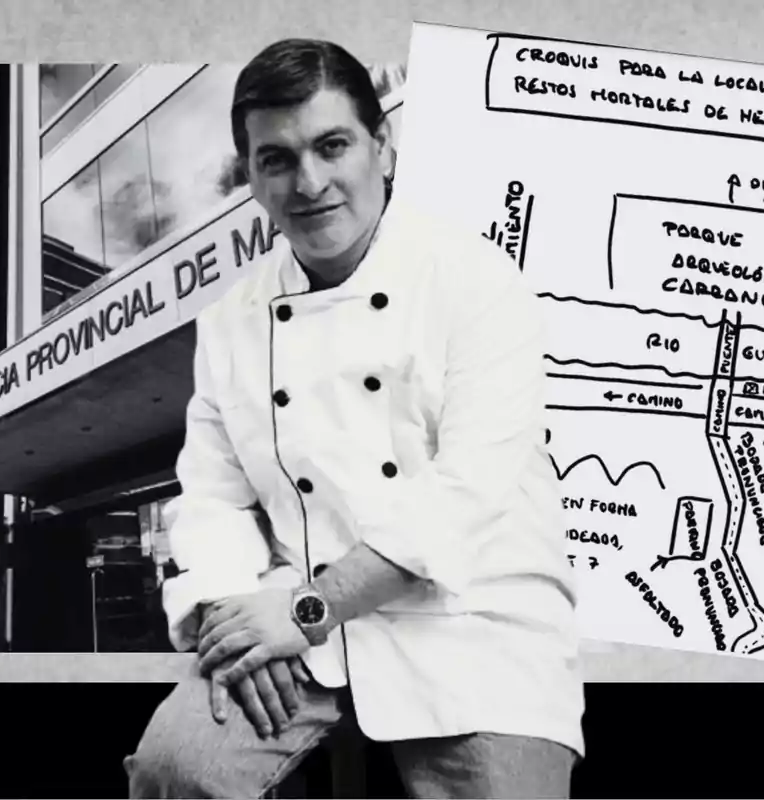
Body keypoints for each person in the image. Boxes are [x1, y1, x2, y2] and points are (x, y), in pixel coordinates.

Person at [123, 38, 584, 798]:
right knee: (177, 771)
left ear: (382, 146)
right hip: (295, 627)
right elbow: (211, 496)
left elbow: (463, 500)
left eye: (332, 146)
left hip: (471, 624)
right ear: (252, 181)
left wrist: (304, 611)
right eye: (277, 160)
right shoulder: (230, 322)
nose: (309, 183)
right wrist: (233, 615)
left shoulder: (477, 281)